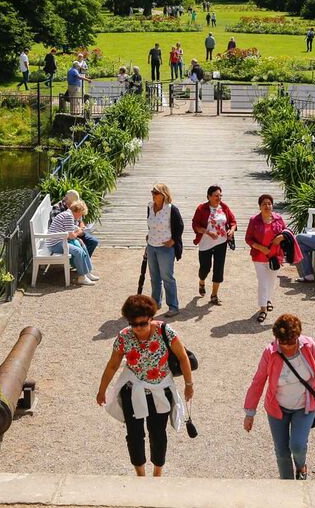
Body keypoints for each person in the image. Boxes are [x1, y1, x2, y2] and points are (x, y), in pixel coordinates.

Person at [97, 294, 194, 477]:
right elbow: (112, 365)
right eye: (134, 324)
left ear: (151, 318)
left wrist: (189, 385)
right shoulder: (124, 337)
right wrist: (102, 390)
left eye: (143, 323)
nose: (138, 328)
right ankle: (140, 475)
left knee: (158, 434)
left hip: (161, 390)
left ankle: (157, 473)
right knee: (134, 436)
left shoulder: (166, 332)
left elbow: (182, 357)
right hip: (133, 390)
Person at [242, 314, 315, 480]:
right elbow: (258, 381)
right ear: (277, 339)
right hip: (277, 407)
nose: (289, 349)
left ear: (298, 336)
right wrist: (250, 412)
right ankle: (287, 485)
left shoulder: (309, 346)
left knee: (298, 446)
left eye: (292, 344)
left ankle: (301, 466)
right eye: (283, 345)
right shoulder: (270, 353)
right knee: (282, 451)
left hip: (305, 406)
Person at [192, 185, 237, 306]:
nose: (219, 198)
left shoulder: (224, 207)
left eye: (220, 195)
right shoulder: (202, 209)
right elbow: (195, 225)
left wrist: (231, 230)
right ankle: (202, 281)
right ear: (209, 196)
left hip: (221, 243)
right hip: (205, 243)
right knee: (205, 268)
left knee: (219, 269)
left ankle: (214, 295)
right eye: (216, 196)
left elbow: (233, 221)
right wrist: (208, 232)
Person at [245, 194, 287, 323]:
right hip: (259, 256)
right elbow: (248, 238)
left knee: (271, 281)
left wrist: (282, 237)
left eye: (269, 203)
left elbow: (287, 233)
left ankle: (268, 299)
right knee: (263, 282)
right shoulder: (254, 220)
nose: (267, 206)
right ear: (260, 207)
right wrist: (260, 247)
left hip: (275, 256)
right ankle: (263, 308)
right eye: (264, 204)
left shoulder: (278, 219)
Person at [146, 183, 184, 317]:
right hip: (151, 246)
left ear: (163, 195)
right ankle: (156, 303)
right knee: (154, 277)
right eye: (152, 192)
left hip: (165, 248)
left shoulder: (171, 209)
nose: (153, 194)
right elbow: (150, 224)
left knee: (167, 278)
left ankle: (173, 306)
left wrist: (173, 241)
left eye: (155, 192)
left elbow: (180, 226)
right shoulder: (150, 207)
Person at [48, 200, 98, 286]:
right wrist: (79, 232)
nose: (81, 216)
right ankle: (82, 277)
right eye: (81, 214)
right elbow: (71, 236)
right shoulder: (68, 216)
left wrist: (78, 236)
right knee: (78, 251)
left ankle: (87, 272)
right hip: (56, 244)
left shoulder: (68, 214)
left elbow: (69, 232)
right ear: (77, 211)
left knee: (83, 246)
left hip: (62, 239)